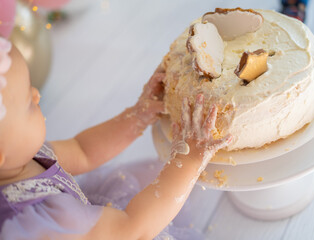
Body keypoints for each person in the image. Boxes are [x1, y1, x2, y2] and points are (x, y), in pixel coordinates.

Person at [0, 36, 232, 240]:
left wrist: (136, 116)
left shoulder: (19, 157)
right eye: (29, 103)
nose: (37, 94)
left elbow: (82, 150)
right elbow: (133, 228)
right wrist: (188, 161)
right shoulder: (43, 224)